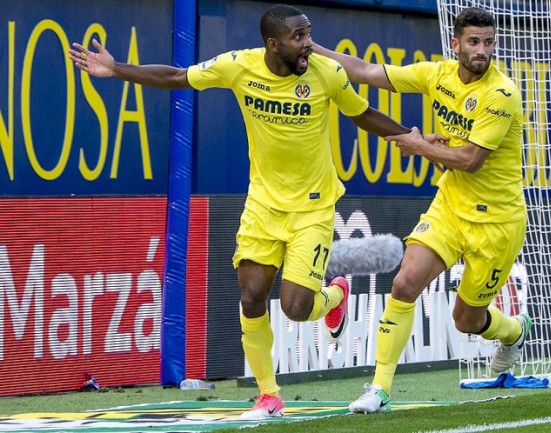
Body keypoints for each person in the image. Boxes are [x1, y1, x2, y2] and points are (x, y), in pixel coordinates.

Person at [70, 4, 415, 419]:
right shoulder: (239, 66)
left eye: (309, 34)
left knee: (295, 308)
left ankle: (336, 293)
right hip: (262, 207)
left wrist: (414, 141)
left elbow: (364, 115)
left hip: (312, 208)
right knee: (251, 296)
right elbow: (179, 77)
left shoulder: (327, 74)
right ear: (273, 44)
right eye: (299, 38)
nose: (309, 45)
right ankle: (269, 396)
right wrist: (117, 69)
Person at [312, 7, 532, 414]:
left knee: (466, 319)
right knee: (404, 284)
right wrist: (312, 48)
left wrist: (421, 146)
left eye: (488, 42)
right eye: (474, 42)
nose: (482, 51)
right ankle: (379, 389)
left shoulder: (501, 94)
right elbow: (365, 72)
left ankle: (514, 331)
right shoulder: (438, 75)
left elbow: (469, 159)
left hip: (497, 223)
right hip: (450, 205)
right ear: (456, 44)